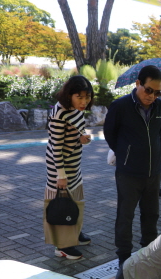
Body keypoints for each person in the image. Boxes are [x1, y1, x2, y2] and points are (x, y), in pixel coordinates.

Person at [104, 65, 161, 269]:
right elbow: (110, 134)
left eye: (157, 92)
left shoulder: (160, 106)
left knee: (151, 215)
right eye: (148, 90)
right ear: (138, 83)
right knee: (126, 215)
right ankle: (124, 255)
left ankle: (148, 250)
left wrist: (157, 158)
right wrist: (126, 153)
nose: (152, 96)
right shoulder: (120, 106)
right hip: (128, 172)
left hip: (153, 172)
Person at [44, 75, 94, 260]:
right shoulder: (60, 112)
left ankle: (74, 233)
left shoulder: (76, 110)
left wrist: (82, 139)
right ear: (69, 95)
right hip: (60, 167)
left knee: (76, 200)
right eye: (79, 97)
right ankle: (62, 245)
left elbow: (74, 135)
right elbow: (55, 145)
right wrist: (61, 175)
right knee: (60, 203)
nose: (84, 101)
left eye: (87, 97)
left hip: (73, 164)